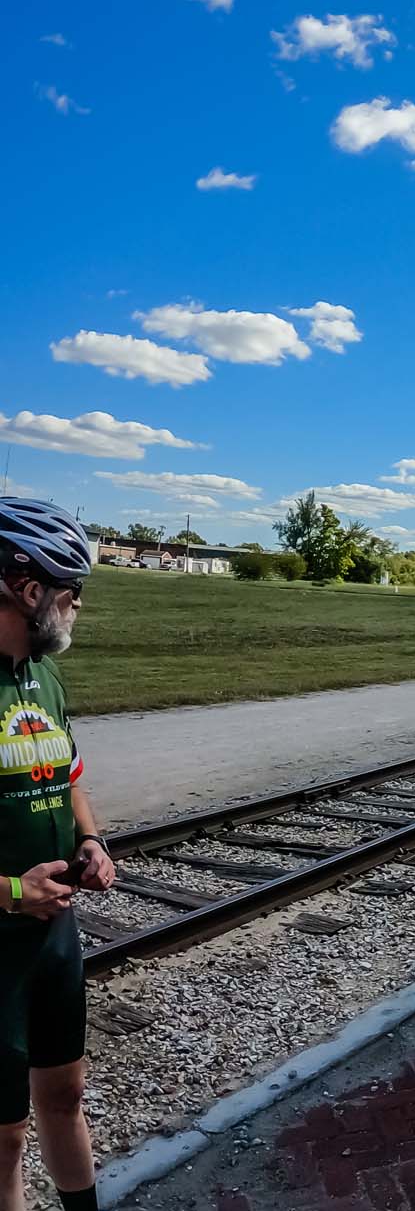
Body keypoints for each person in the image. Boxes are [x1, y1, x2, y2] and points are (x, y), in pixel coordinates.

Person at [0, 500, 114, 1211]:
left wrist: (92, 841)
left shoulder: (44, 677)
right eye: (69, 592)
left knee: (66, 1094)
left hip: (53, 934)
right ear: (26, 587)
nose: (75, 609)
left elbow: (69, 778)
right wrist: (11, 891)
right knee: (5, 1136)